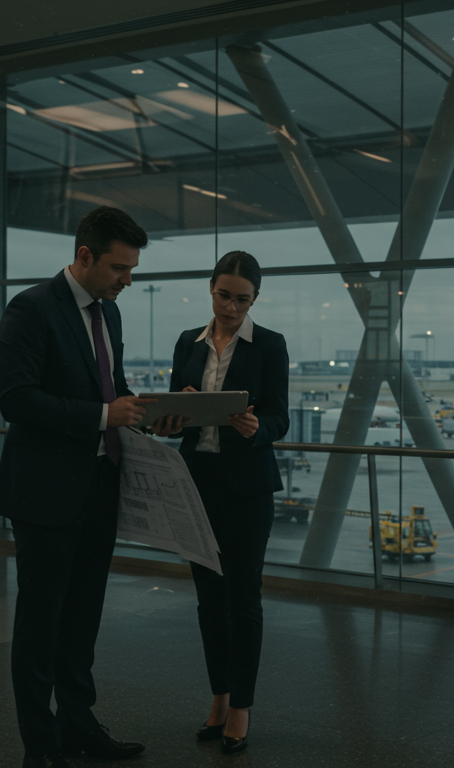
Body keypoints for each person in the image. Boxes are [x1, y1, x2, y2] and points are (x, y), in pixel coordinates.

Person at [0, 206, 158, 768]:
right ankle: (41, 748)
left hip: (99, 487)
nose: (126, 281)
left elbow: (112, 389)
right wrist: (100, 416)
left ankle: (79, 727)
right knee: (41, 626)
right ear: (84, 256)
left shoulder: (108, 315)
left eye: (132, 270)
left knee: (83, 620)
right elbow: (15, 399)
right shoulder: (31, 309)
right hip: (45, 494)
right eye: (118, 268)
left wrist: (149, 412)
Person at [152, 251, 288, 755]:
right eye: (223, 295)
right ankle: (218, 696)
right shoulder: (188, 342)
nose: (231, 307)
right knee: (209, 601)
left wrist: (257, 429)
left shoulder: (269, 345)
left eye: (242, 299)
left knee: (242, 602)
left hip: (247, 489)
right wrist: (171, 414)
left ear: (256, 299)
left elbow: (279, 415)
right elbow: (170, 410)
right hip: (197, 482)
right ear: (210, 289)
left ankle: (241, 707)